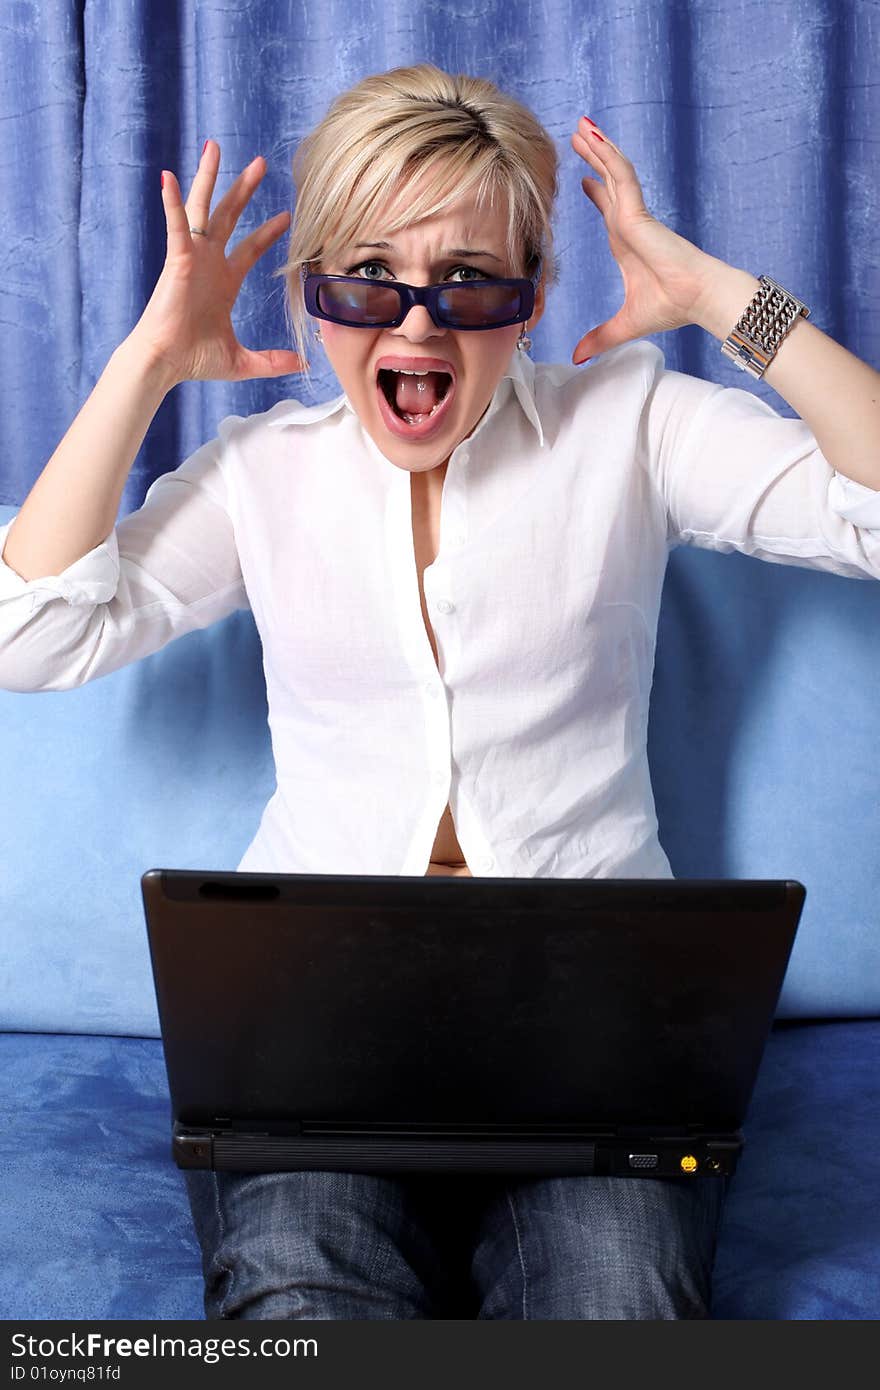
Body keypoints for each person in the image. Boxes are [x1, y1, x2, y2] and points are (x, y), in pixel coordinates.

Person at [1, 63, 878, 1321]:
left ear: (530, 302)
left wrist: (723, 300)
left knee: (619, 1303)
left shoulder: (630, 425)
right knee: (302, 1306)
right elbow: (28, 638)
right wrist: (146, 360)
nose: (415, 327)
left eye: (470, 282)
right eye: (364, 281)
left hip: (599, 1040)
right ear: (313, 305)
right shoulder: (262, 475)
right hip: (310, 1037)